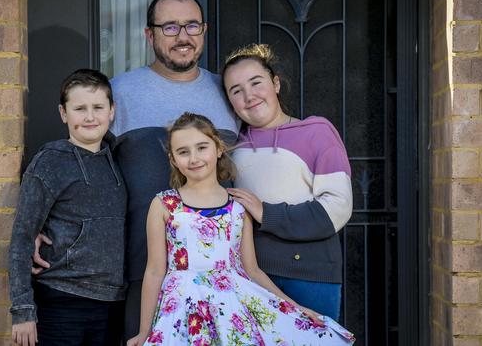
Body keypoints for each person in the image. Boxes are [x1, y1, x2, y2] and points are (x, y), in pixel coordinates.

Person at [31, 0, 239, 340]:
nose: (183, 36)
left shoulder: (229, 92)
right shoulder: (118, 93)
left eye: (192, 25)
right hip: (143, 267)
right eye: (170, 27)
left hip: (221, 269)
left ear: (204, 30)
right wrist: (41, 220)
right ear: (149, 34)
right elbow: (78, 162)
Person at [126, 112, 355, 345]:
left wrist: (295, 307)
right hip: (181, 309)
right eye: (183, 152)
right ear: (173, 159)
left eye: (202, 147)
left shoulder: (237, 206)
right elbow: (154, 271)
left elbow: (252, 270)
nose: (194, 158)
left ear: (218, 149)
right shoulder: (164, 204)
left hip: (232, 305)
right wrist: (145, 330)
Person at [222, 44, 353, 321]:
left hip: (311, 275)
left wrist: (267, 213)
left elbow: (337, 208)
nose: (249, 96)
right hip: (252, 275)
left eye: (256, 83)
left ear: (276, 84)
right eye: (236, 90)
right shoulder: (231, 146)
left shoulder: (317, 132)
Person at [9, 69, 126, 346]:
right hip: (62, 300)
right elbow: (23, 236)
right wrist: (22, 310)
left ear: (112, 111)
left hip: (111, 304)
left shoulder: (118, 159)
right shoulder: (50, 161)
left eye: (98, 107)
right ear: (64, 113)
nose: (89, 116)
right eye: (79, 108)